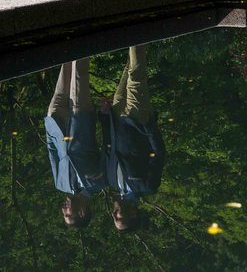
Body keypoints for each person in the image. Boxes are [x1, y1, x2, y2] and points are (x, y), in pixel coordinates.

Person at [99, 45, 165, 232]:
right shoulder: (147, 187)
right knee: (136, 76)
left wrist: (104, 117)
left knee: (129, 70)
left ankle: (143, 36)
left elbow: (108, 148)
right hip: (138, 120)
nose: (113, 214)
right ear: (134, 213)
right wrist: (149, 129)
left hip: (117, 117)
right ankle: (137, 28)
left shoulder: (111, 182)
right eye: (118, 217)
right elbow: (159, 154)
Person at [45, 59, 106, 228]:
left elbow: (53, 155)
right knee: (79, 71)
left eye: (64, 214)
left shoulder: (60, 184)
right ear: (82, 212)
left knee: (64, 69)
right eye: (68, 213)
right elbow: (107, 148)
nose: (63, 209)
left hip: (57, 123)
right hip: (81, 118)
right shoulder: (101, 181)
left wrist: (49, 129)